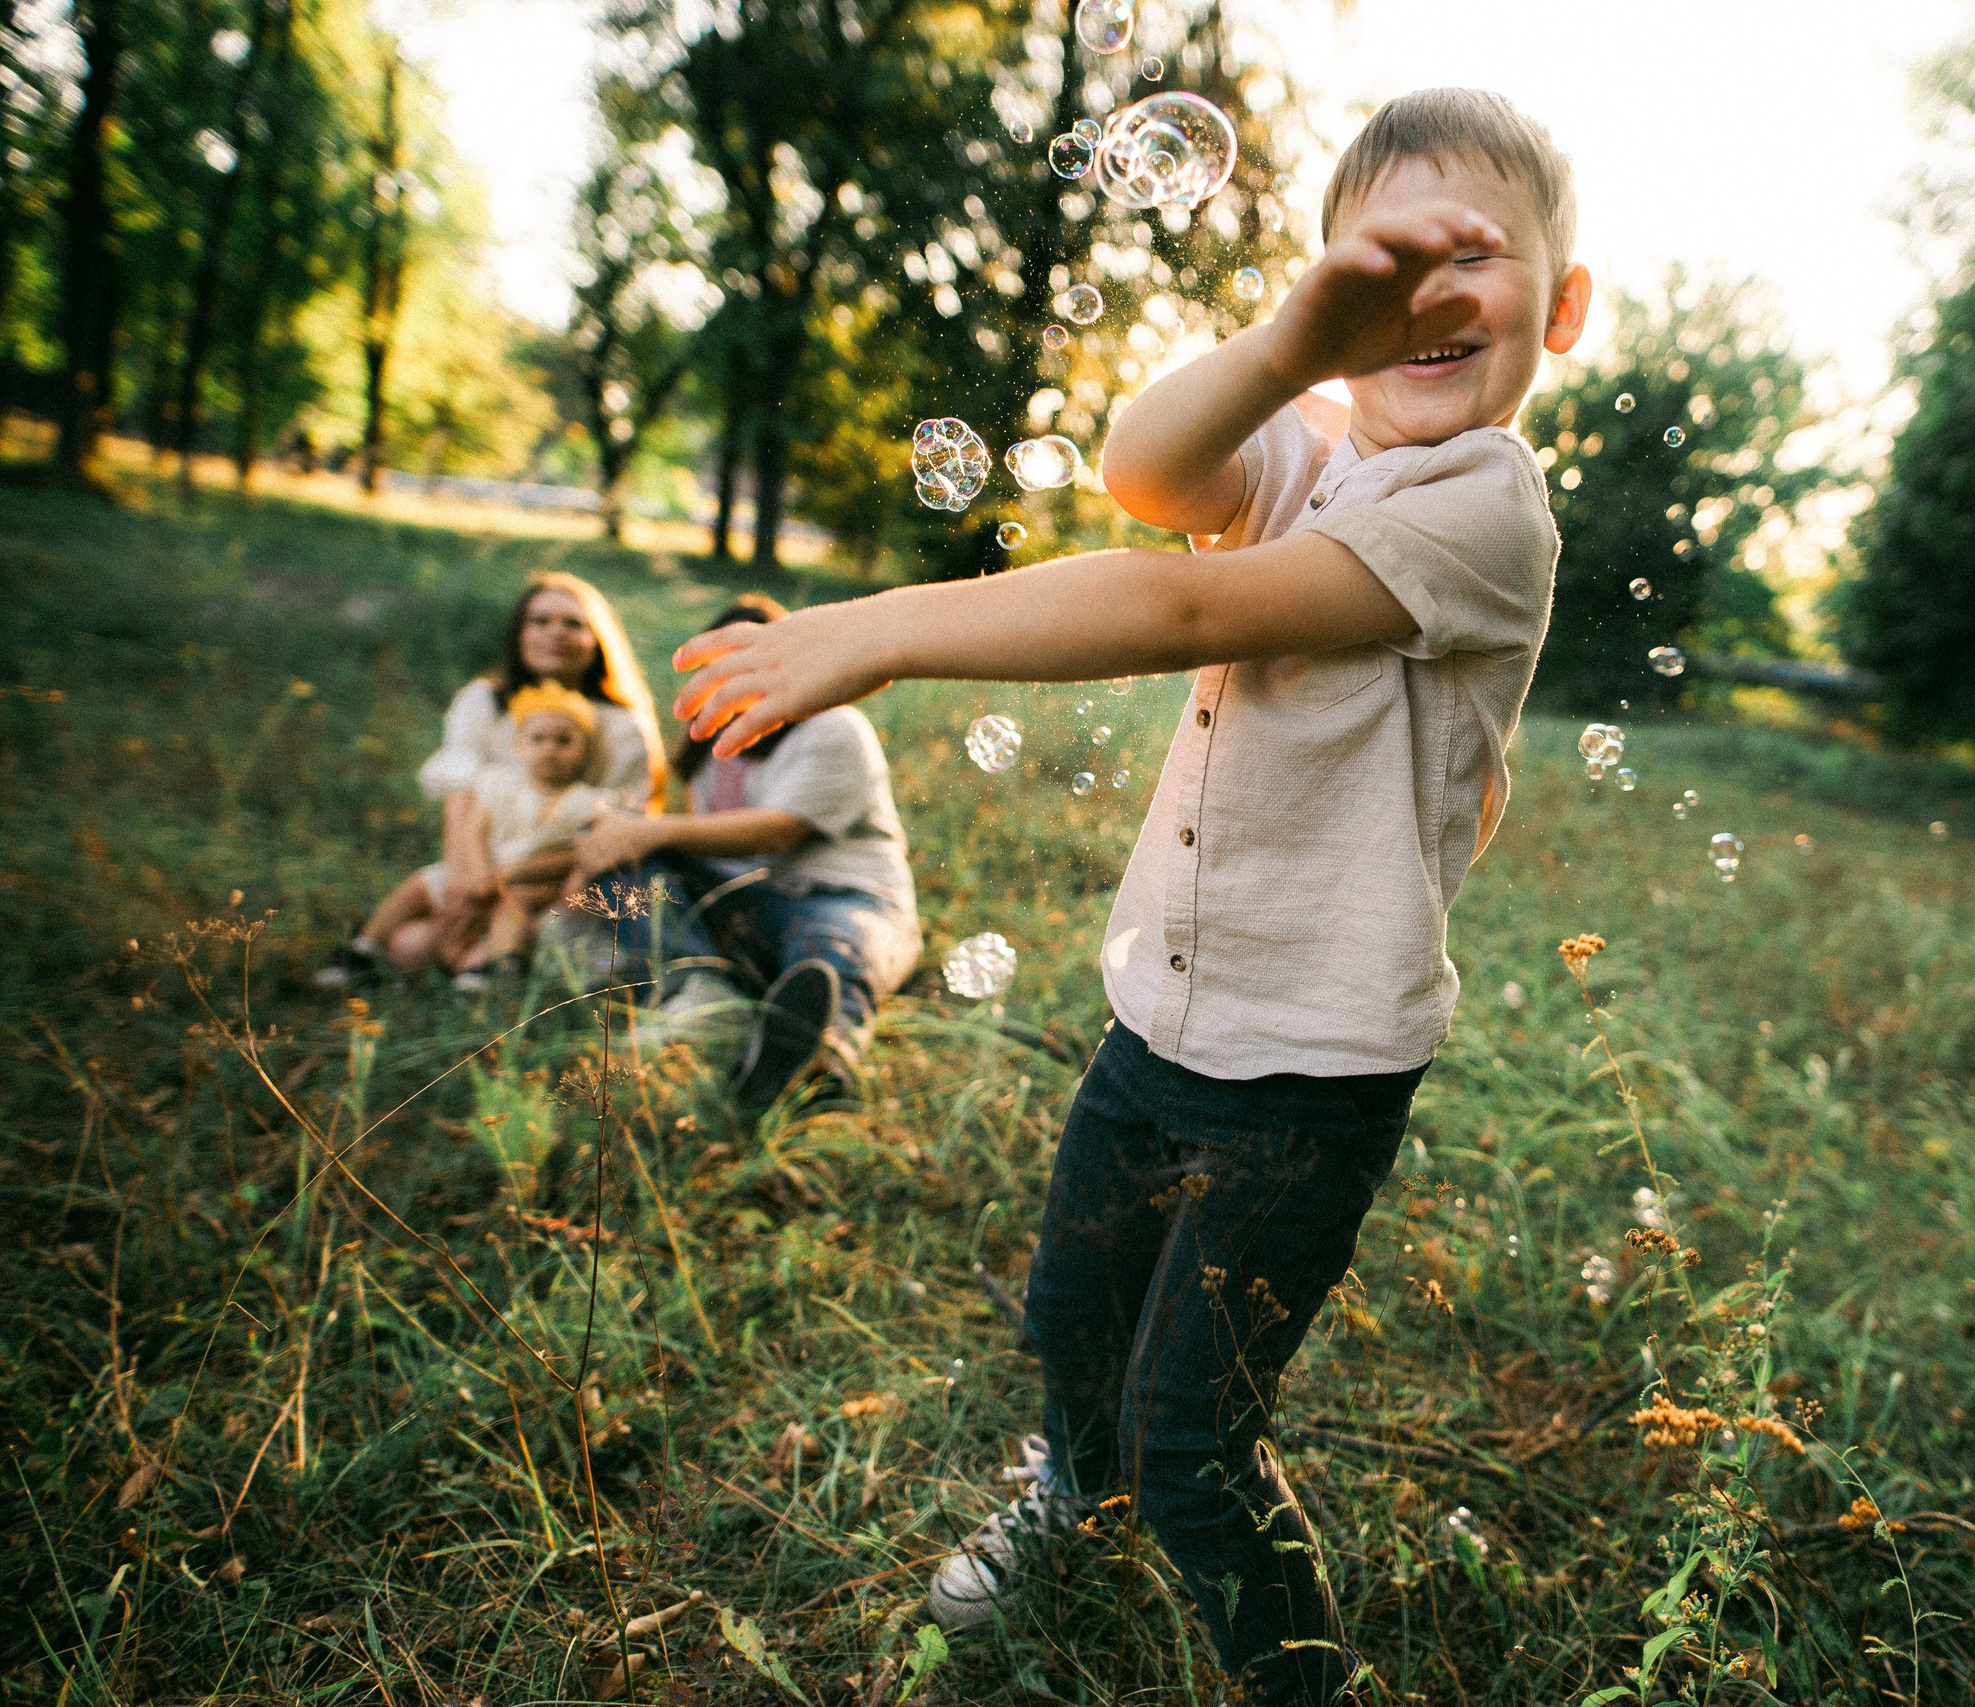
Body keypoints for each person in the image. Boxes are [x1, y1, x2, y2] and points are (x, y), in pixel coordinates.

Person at [667, 89, 1589, 1706]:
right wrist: (1302, 332)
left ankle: (1293, 1677)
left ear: (1561, 308)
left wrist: (883, 630)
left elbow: (1176, 598)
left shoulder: (1482, 509)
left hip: (1310, 1076)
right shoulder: (1303, 442)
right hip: (1158, 1018)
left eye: (1475, 257)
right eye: (1382, 260)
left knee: (1194, 1442)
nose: (1422, 294)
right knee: (1070, 1319)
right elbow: (1146, 472)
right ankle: (1065, 1496)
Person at [569, 594, 921, 1117]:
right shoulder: (714, 755)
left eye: (756, 661)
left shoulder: (834, 727)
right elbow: (705, 850)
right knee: (628, 864)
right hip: (752, 909)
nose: (736, 677)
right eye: (723, 665)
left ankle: (818, 1061)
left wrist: (653, 830)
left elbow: (779, 831)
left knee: (830, 954)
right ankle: (701, 993)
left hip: (846, 899)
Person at [318, 570, 666, 988]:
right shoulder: (484, 703)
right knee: (410, 945)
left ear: (598, 641)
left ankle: (495, 964)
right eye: (540, 621)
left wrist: (508, 884)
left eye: (573, 623)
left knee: (480, 941)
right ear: (519, 634)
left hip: (555, 887)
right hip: (476, 867)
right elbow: (462, 799)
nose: (555, 633)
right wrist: (466, 889)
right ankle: (370, 952)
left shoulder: (621, 726)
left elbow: (617, 835)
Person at [329, 684, 617, 989]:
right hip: (479, 871)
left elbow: (577, 852)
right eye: (538, 739)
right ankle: (364, 947)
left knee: (515, 905)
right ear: (518, 745)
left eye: (563, 741)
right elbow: (474, 830)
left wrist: (508, 877)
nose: (549, 749)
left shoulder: (587, 801)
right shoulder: (498, 783)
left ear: (583, 750)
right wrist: (479, 871)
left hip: (534, 884)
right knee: (423, 882)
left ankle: (502, 963)